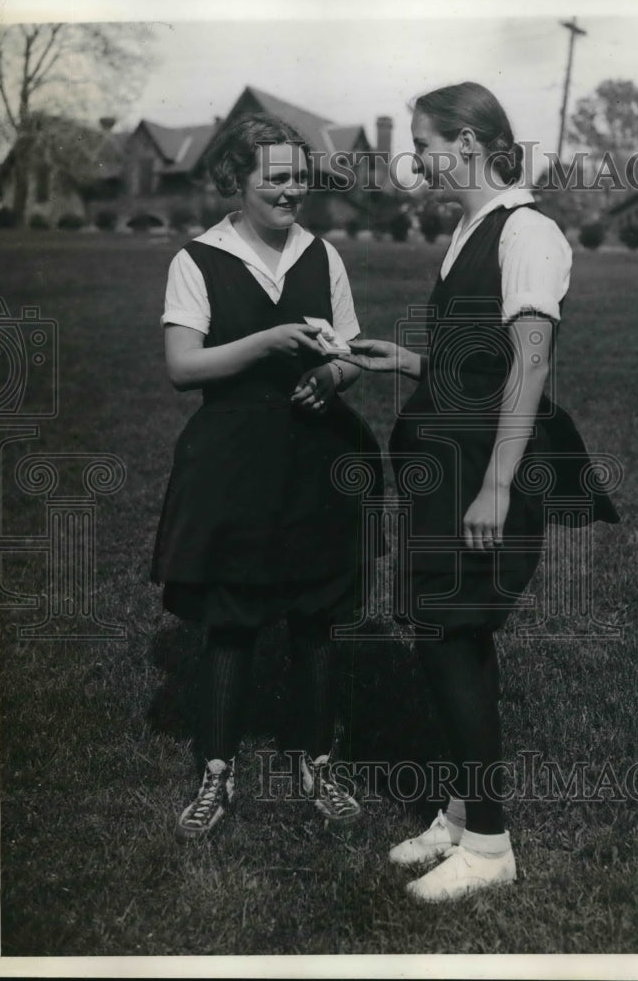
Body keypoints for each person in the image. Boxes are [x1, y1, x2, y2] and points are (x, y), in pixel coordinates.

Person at [345, 82, 619, 901]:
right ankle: (463, 811)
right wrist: (406, 362)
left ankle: (492, 849)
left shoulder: (527, 230)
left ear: (466, 142)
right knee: (441, 629)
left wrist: (497, 486)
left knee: (454, 632)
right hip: (453, 456)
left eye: (426, 144)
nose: (418, 159)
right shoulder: (469, 228)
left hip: (485, 468)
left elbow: (532, 363)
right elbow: (482, 364)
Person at [150, 112, 383, 840]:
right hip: (233, 462)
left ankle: (317, 760)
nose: (291, 192)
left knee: (317, 618)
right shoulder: (199, 259)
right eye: (274, 179)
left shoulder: (323, 256)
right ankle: (216, 773)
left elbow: (350, 355)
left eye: (299, 179)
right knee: (233, 620)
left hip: (315, 458)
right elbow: (184, 367)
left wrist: (330, 376)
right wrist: (269, 341)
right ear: (237, 182)